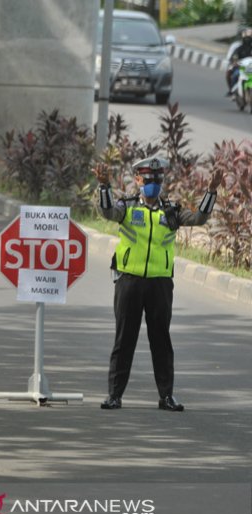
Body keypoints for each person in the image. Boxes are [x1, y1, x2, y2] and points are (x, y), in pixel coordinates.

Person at [94, 156, 223, 411]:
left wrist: (211, 191)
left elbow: (199, 218)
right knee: (124, 339)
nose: (153, 183)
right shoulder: (128, 207)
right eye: (148, 179)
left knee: (161, 340)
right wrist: (104, 185)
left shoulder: (171, 210)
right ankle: (115, 395)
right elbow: (108, 212)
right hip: (129, 281)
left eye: (158, 179)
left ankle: (166, 396)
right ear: (138, 180)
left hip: (160, 284)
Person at [225, 28, 252, 96]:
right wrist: (234, 62)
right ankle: (231, 90)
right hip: (239, 65)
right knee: (232, 74)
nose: (247, 39)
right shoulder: (236, 46)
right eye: (246, 37)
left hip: (250, 66)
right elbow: (231, 56)